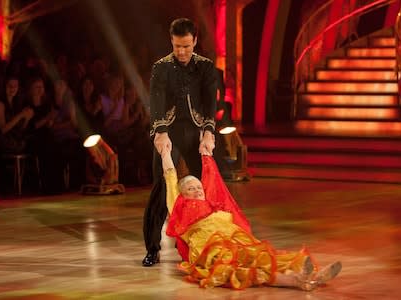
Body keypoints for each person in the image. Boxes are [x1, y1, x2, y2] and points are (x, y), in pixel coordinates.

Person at [160, 146, 342, 290]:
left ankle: (309, 276)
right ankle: (296, 280)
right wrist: (165, 154)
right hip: (211, 249)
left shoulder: (212, 204)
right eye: (191, 188)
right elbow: (170, 178)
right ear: (182, 194)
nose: (198, 190)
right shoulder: (180, 206)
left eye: (199, 187)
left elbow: (211, 180)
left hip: (235, 240)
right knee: (245, 269)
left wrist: (207, 154)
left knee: (263, 257)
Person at [142, 18, 217, 266]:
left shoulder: (205, 67)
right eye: (177, 46)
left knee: (200, 189)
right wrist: (160, 133)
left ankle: (200, 243)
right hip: (169, 134)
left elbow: (210, 104)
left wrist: (208, 132)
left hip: (195, 133)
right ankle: (153, 248)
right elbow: (156, 103)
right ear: (171, 42)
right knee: (161, 189)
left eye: (186, 46)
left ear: (195, 41)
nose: (182, 52)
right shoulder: (161, 68)